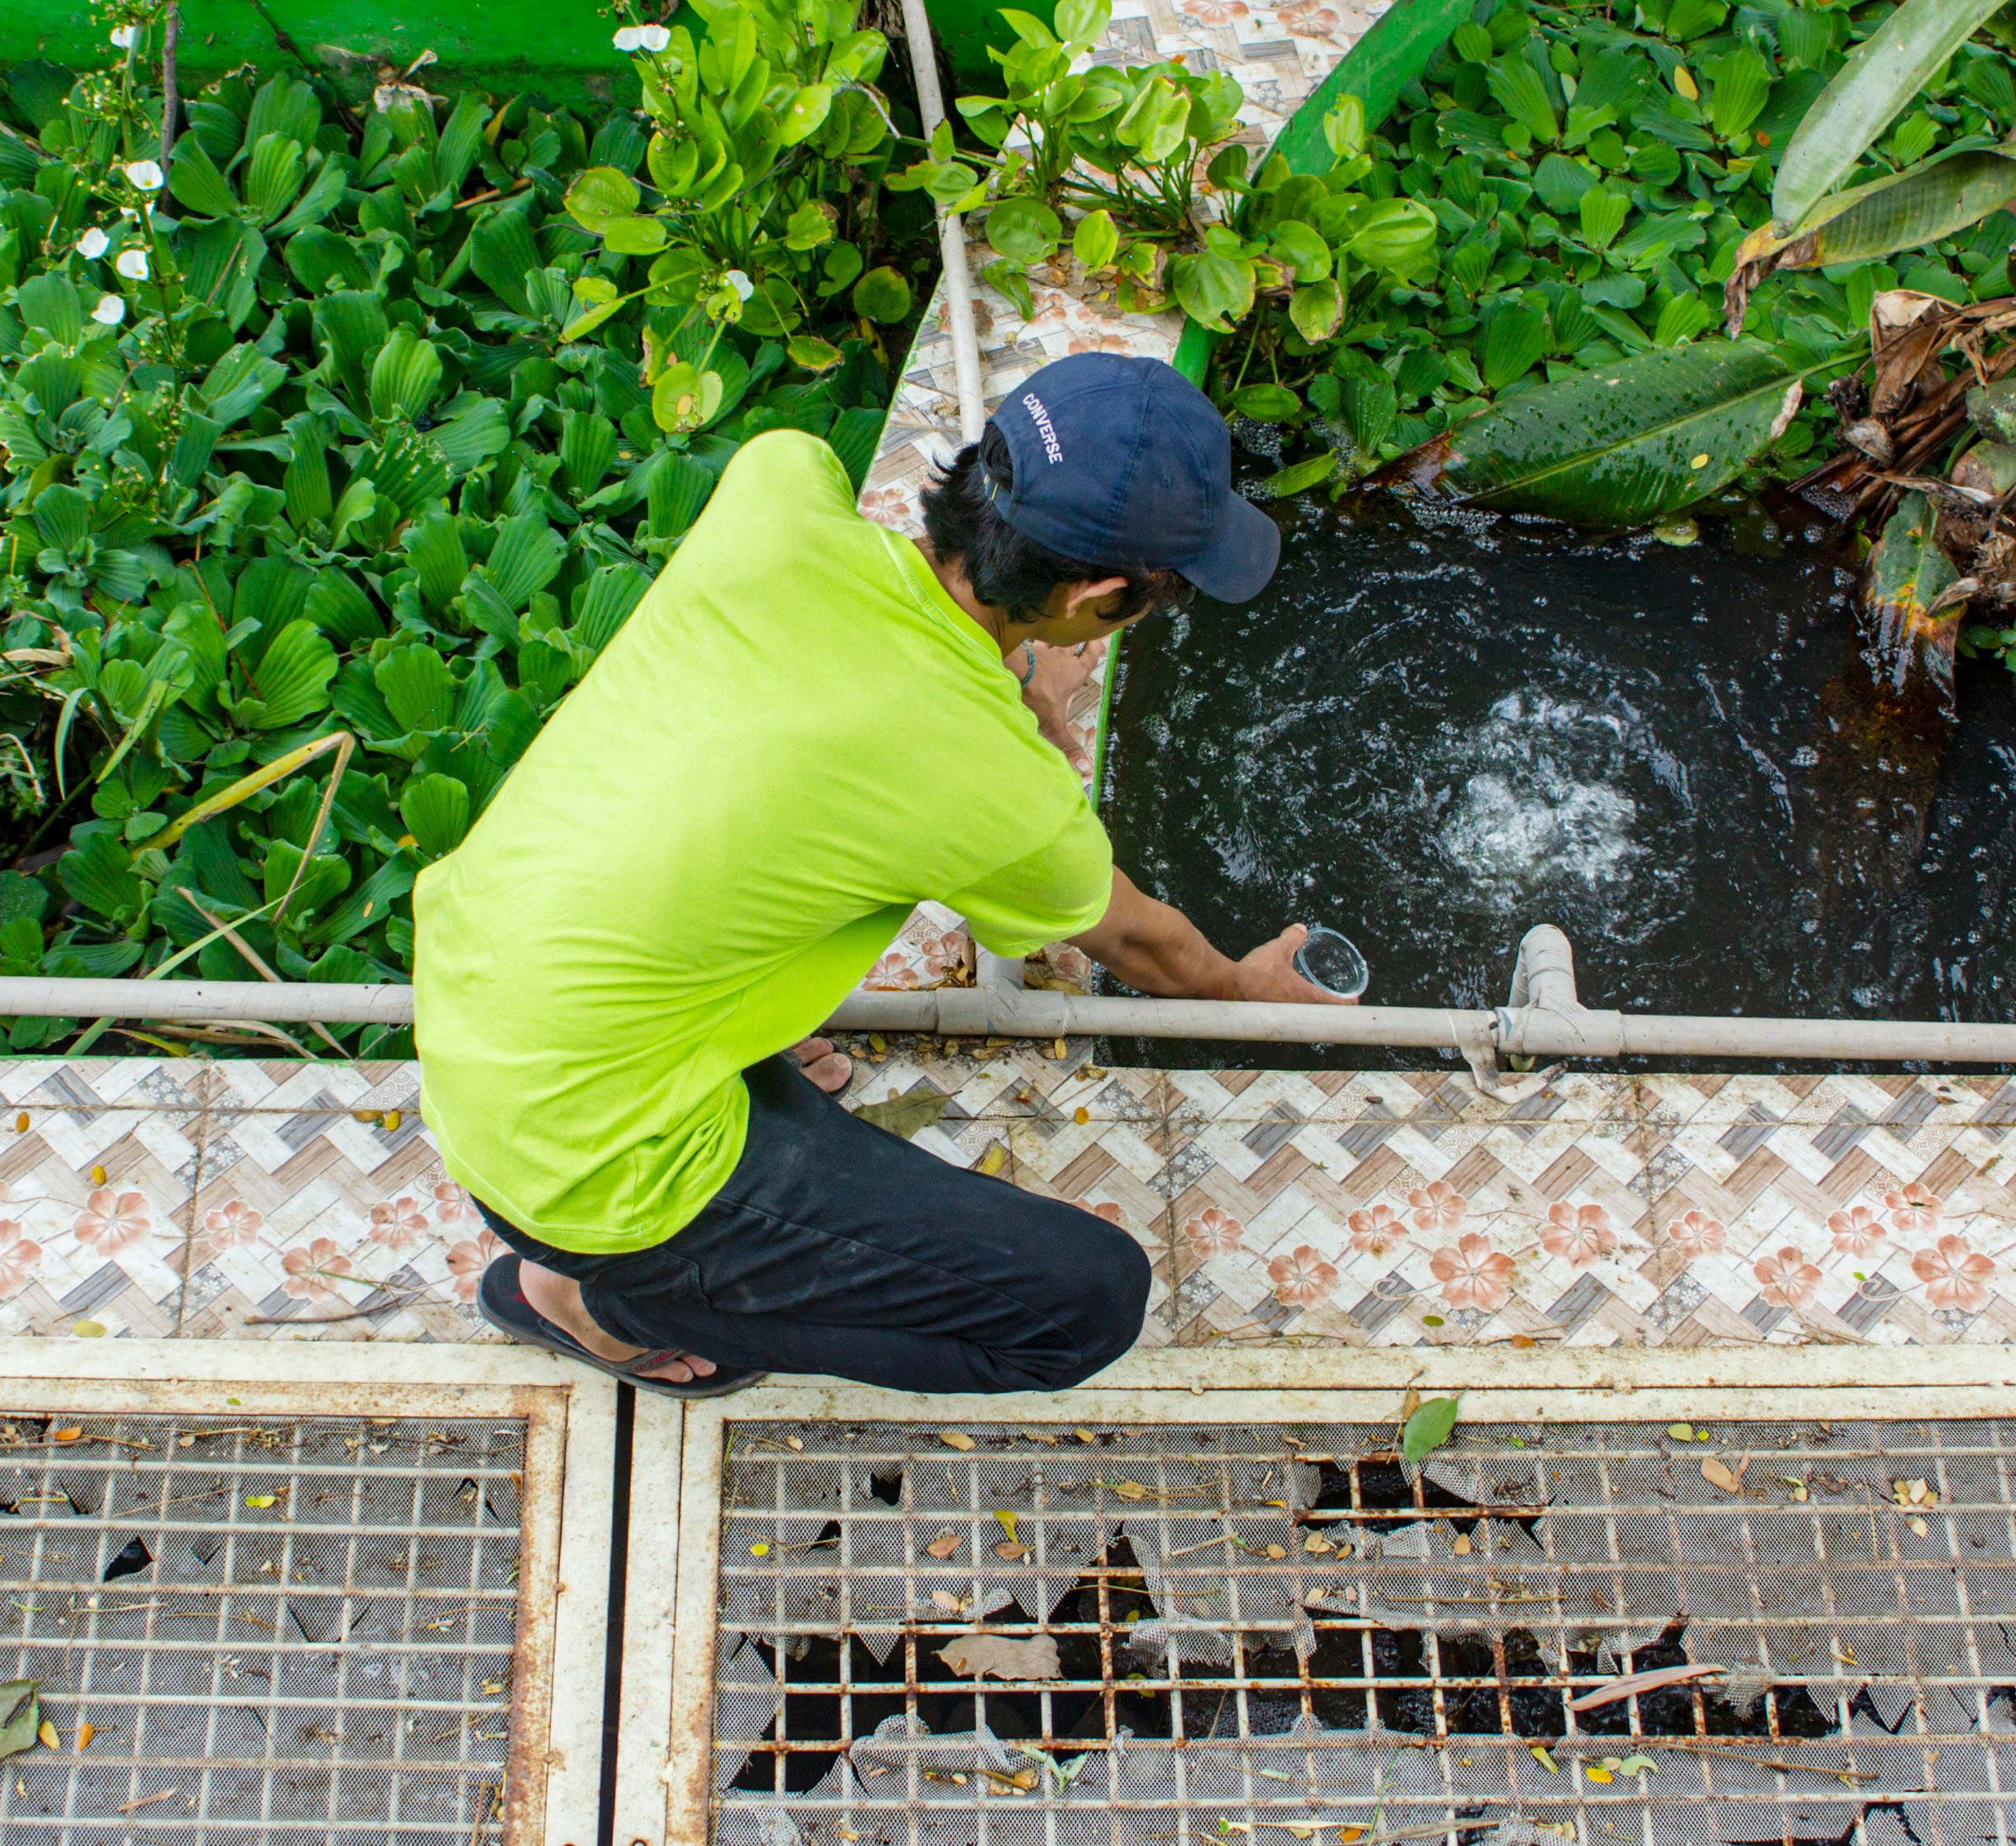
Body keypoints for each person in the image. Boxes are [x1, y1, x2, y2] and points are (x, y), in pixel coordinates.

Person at [411, 352, 1349, 1398]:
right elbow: (1141, 946)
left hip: (472, 1012)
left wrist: (1006, 670)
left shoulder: (777, 493)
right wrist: (1241, 989)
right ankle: (596, 1306)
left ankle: (722, 1108)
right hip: (580, 1169)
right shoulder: (987, 779)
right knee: (1088, 1303)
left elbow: (802, 488)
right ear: (1098, 599)